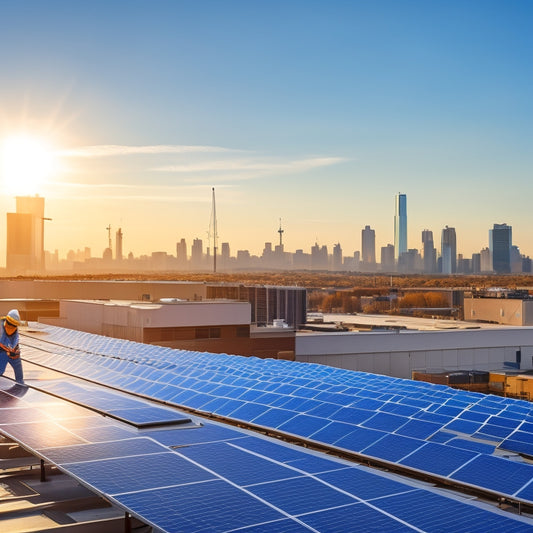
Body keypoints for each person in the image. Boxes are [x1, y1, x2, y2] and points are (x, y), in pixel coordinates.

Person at [0, 309, 23, 383]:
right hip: (1, 351)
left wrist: (13, 352)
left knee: (18, 368)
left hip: (10, 350)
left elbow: (15, 343)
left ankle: (20, 383)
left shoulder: (15, 334)